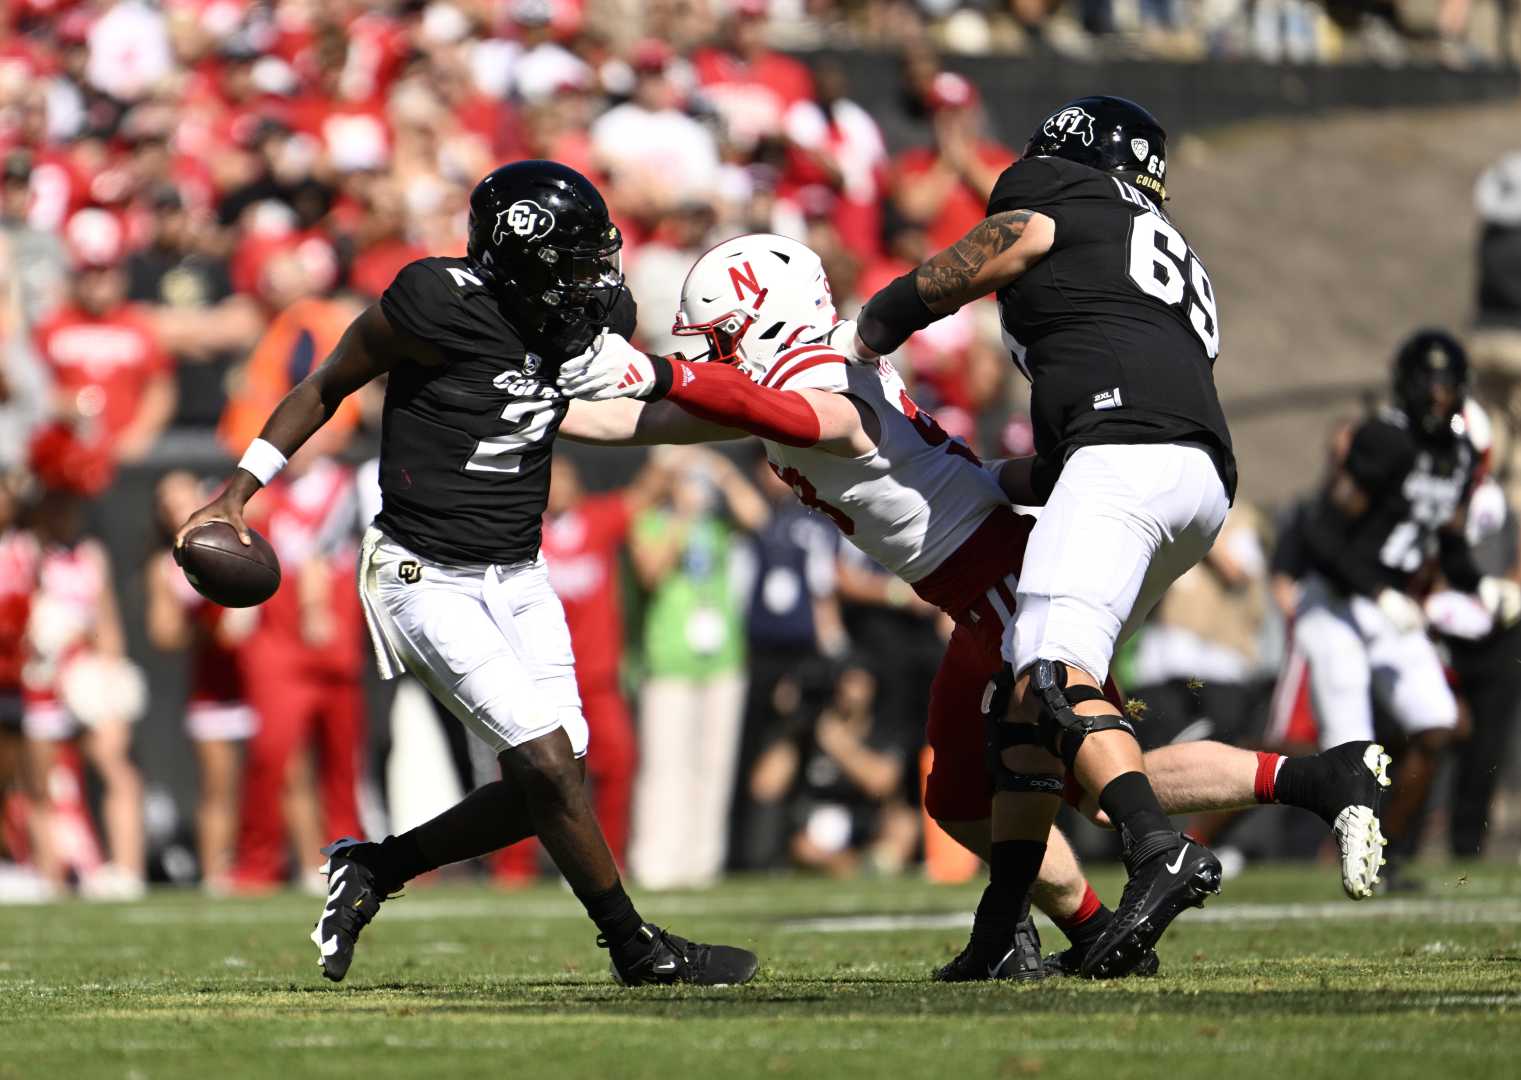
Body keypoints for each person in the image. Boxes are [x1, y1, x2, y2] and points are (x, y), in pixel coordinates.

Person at [555, 231, 1391, 981]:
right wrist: (538, 405)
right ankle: (1065, 924)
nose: (710, 353)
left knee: (1072, 779)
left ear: (760, 321)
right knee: (975, 792)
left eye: (719, 337)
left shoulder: (809, 383)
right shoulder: (787, 380)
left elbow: (790, 415)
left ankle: (1281, 797)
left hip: (994, 582)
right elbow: (651, 422)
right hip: (978, 586)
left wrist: (661, 369)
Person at [176, 160, 756, 987]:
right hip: (421, 570)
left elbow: (635, 405)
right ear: (517, 257)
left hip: (519, 571)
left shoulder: (585, 321)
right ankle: (637, 947)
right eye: (574, 260)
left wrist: (769, 412)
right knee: (549, 765)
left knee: (553, 783)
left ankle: (374, 867)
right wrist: (238, 494)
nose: (594, 280)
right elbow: (327, 384)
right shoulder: (433, 303)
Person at [833, 95, 1243, 978]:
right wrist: (988, 477)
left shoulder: (1061, 195)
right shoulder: (1158, 252)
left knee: (1049, 670)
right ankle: (998, 932)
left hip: (1126, 457)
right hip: (1194, 479)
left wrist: (876, 325)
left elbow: (1010, 238)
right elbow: (1067, 450)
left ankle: (1153, 844)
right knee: (1031, 702)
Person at [1288, 331, 1521, 886]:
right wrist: (1377, 592)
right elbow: (1321, 535)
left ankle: (1380, 855)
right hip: (1339, 601)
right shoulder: (1383, 440)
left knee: (1438, 724)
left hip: (1389, 606)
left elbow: (1449, 541)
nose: (1438, 398)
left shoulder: (1460, 453)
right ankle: (1336, 853)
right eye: (1429, 384)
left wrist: (1481, 586)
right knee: (1349, 749)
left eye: (1447, 386)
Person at [145, 471, 257, 892]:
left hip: (258, 680)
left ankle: (287, 864)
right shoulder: (165, 568)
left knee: (283, 778)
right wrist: (208, 622)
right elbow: (163, 635)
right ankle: (216, 874)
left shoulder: (236, 541)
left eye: (181, 494)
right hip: (212, 690)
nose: (174, 505)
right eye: (165, 500)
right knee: (218, 787)